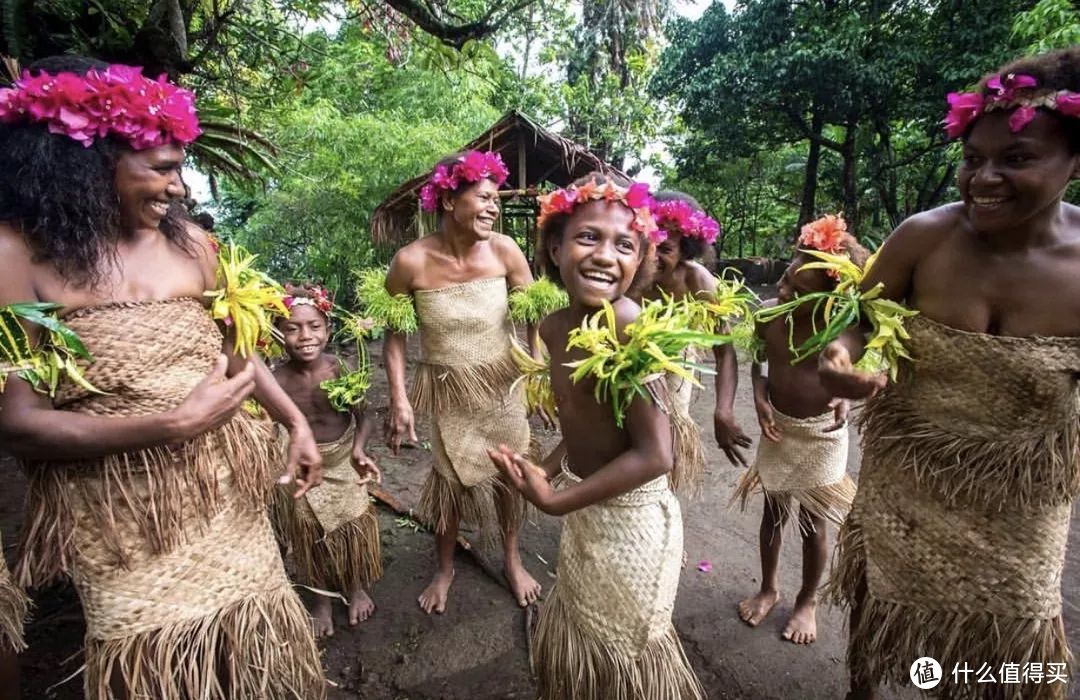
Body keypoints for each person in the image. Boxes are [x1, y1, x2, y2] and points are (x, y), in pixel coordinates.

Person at [0, 57, 325, 698]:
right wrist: (172, 423)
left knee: (250, 648)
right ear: (91, 163)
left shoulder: (193, 246)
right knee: (155, 662)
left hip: (223, 492)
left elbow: (239, 353)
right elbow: (18, 424)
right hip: (119, 516)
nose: (179, 187)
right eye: (163, 167)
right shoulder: (16, 257)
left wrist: (293, 423)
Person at [819, 48, 1080, 700]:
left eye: (1016, 159)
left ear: (1075, 160)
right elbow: (858, 318)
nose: (983, 178)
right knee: (881, 596)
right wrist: (843, 358)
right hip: (907, 478)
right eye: (972, 160)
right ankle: (862, 690)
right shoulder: (922, 238)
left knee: (1012, 630)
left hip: (1021, 498)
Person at [488, 174, 705, 699]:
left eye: (624, 245)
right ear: (555, 248)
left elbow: (656, 455)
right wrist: (552, 466)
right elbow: (581, 416)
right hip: (589, 508)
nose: (605, 255)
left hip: (635, 525)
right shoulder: (555, 327)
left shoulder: (629, 327)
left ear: (640, 263)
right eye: (588, 238)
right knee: (583, 634)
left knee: (622, 655)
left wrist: (556, 502)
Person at [382, 150, 540, 613]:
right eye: (484, 198)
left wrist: (539, 373)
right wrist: (399, 399)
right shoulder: (410, 262)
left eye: (496, 200)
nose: (493, 208)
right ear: (450, 201)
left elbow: (532, 316)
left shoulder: (506, 251)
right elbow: (394, 339)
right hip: (448, 389)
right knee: (450, 479)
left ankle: (512, 558)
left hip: (504, 385)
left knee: (510, 473)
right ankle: (445, 567)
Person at [733, 214, 866, 645]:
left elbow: (854, 368)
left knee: (814, 523)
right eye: (787, 278)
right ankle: (769, 587)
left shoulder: (841, 329)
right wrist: (758, 396)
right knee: (773, 513)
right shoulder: (769, 315)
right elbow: (756, 360)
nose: (783, 291)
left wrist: (844, 393)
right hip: (780, 428)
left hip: (822, 434)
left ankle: (808, 600)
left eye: (799, 290)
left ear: (832, 299)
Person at [271, 284, 382, 637]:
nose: (305, 336)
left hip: (343, 459)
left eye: (314, 326)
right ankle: (320, 601)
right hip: (304, 470)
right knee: (310, 535)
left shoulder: (340, 369)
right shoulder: (275, 381)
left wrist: (359, 450)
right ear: (278, 333)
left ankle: (354, 587)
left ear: (328, 330)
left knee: (350, 526)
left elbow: (365, 416)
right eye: (292, 327)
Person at [640, 191, 751, 492]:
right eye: (647, 244)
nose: (652, 256)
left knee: (662, 470)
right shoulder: (628, 274)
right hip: (628, 382)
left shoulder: (696, 281)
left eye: (665, 248)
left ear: (685, 251)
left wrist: (723, 410)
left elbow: (724, 352)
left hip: (675, 384)